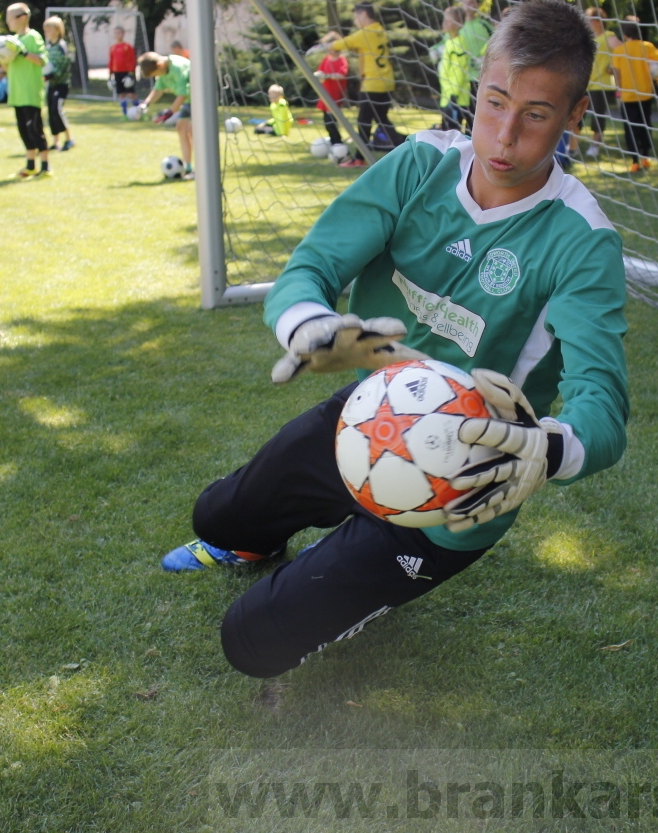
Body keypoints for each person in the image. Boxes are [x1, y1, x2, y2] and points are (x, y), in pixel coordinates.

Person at [161, 0, 628, 680]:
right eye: (494, 103)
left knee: (249, 641)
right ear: (476, 90)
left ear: (575, 117)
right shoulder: (420, 166)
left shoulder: (581, 241)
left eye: (535, 115)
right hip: (370, 418)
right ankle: (257, 545)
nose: (503, 138)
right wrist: (311, 327)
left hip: (460, 489)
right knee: (216, 515)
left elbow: (602, 405)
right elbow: (310, 268)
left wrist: (545, 448)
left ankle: (376, 569)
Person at [320, 2, 404, 168]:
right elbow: (364, 51)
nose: (354, 21)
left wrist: (325, 46)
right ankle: (406, 148)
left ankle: (359, 158)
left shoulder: (366, 33)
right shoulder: (380, 30)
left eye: (355, 16)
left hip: (373, 84)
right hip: (387, 82)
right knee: (382, 120)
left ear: (363, 14)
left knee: (363, 121)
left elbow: (339, 44)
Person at [610, 16, 658, 173]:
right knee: (645, 124)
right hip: (645, 93)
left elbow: (617, 74)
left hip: (628, 96)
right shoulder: (647, 46)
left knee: (630, 128)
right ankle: (645, 158)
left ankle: (634, 162)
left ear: (624, 34)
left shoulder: (619, 51)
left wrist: (619, 91)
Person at [3, 3, 50, 177]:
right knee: (23, 130)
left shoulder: (33, 36)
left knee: (35, 129)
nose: (8, 22)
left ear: (22, 18)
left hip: (31, 92)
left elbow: (42, 60)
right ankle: (30, 166)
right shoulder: (13, 40)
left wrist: (22, 52)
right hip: (17, 93)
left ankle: (46, 167)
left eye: (10, 18)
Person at [572, 7, 619, 159]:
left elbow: (622, 51)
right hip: (583, 84)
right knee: (575, 117)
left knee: (598, 118)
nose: (585, 21)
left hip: (601, 86)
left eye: (588, 19)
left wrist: (613, 67)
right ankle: (573, 148)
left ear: (598, 21)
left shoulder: (608, 36)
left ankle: (594, 147)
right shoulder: (585, 39)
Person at [137, 51, 193, 180]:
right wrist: (146, 104)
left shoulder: (178, 68)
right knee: (181, 128)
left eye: (156, 74)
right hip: (189, 101)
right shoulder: (164, 68)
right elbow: (158, 89)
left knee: (194, 133)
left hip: (200, 100)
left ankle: (202, 170)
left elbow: (182, 94)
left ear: (160, 65)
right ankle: (188, 168)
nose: (157, 77)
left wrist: (170, 112)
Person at [456, 0, 492, 133]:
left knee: (477, 117)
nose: (470, 5)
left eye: (473, 3)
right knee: (460, 116)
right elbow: (447, 40)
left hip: (479, 79)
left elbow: (496, 42)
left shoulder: (484, 25)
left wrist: (482, 59)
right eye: (467, 2)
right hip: (461, 81)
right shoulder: (458, 26)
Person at [435, 5, 471, 133]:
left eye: (448, 20)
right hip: (447, 96)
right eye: (444, 19)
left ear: (458, 24)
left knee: (452, 133)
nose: (444, 23)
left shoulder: (458, 43)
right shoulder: (449, 41)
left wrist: (453, 94)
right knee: (446, 132)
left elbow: (458, 70)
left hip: (456, 98)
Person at [43, 15, 73, 151]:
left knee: (57, 110)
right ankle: (56, 142)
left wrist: (49, 76)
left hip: (61, 85)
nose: (47, 32)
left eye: (49, 29)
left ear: (57, 30)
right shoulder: (48, 47)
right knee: (51, 112)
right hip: (51, 85)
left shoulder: (62, 47)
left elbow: (62, 67)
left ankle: (69, 139)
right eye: (45, 29)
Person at [313, 46, 348, 147]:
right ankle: (334, 141)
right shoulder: (326, 59)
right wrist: (319, 76)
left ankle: (337, 141)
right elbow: (319, 73)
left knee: (331, 120)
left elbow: (342, 74)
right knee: (326, 120)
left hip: (335, 94)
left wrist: (327, 76)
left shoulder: (342, 59)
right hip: (325, 93)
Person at [108, 25, 137, 117]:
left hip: (126, 73)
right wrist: (110, 75)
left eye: (119, 32)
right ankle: (124, 114)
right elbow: (111, 61)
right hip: (117, 73)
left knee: (131, 94)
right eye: (116, 33)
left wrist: (130, 73)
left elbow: (132, 60)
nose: (117, 35)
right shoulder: (112, 48)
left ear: (123, 34)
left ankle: (139, 111)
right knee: (121, 94)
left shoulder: (127, 47)